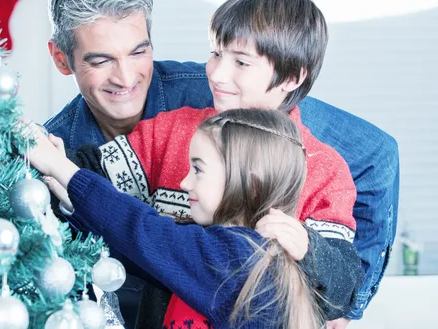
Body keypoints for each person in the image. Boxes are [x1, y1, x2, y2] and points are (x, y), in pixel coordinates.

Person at [44, 0, 399, 328]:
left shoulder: (322, 167)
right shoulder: (174, 127)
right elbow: (98, 176)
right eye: (214, 54)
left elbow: (343, 275)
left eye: (240, 62)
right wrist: (58, 172)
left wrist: (315, 261)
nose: (215, 73)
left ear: (292, 77)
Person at [30, 109, 363, 329]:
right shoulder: (238, 254)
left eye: (199, 169)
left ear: (249, 182)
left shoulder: (237, 258)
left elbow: (141, 230)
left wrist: (61, 168)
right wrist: (68, 195)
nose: (185, 182)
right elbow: (137, 253)